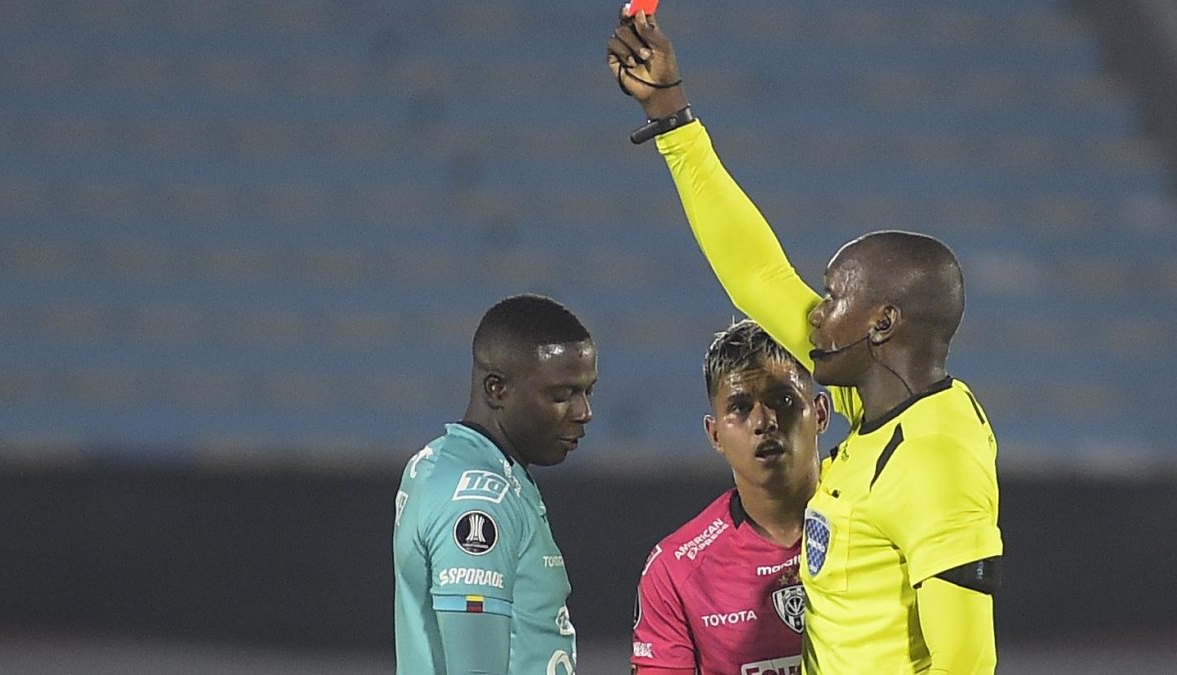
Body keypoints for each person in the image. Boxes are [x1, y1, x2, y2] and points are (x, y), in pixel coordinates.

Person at [607, 11, 1003, 674]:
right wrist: (672, 115)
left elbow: (964, 662)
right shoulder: (874, 410)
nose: (816, 313)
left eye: (835, 296)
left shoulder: (935, 457)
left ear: (881, 324)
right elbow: (756, 274)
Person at [392, 293, 596, 675]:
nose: (584, 412)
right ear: (496, 389)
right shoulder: (478, 499)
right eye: (561, 395)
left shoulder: (455, 464)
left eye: (587, 391)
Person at [632, 319, 828, 675]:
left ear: (820, 413)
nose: (764, 420)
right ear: (715, 434)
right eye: (740, 407)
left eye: (782, 399)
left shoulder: (879, 513)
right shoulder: (675, 570)